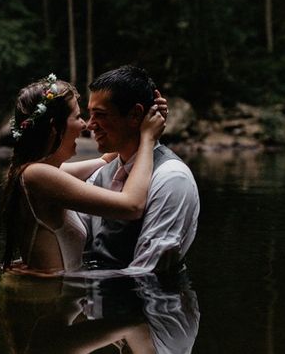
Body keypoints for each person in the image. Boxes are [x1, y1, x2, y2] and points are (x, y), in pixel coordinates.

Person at [1, 73, 165, 275]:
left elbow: (104, 160)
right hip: (51, 301)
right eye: (78, 117)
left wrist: (140, 119)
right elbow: (131, 206)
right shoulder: (38, 176)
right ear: (55, 127)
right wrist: (148, 138)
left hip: (59, 297)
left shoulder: (31, 173)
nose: (85, 125)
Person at [82, 65, 199, 272]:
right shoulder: (102, 173)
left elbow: (147, 271)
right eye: (90, 114)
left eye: (100, 115)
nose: (90, 125)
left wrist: (64, 280)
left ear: (135, 115)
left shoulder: (171, 178)